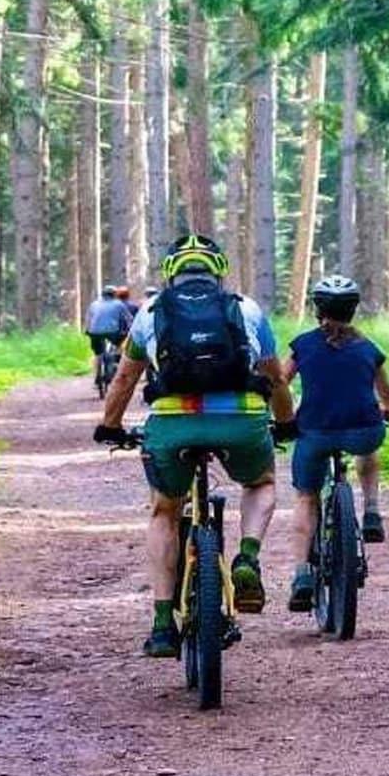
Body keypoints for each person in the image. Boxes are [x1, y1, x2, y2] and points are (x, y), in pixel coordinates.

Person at [93, 234, 297, 658]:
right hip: (240, 420)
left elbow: (125, 378)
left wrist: (109, 426)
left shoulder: (151, 311)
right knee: (260, 482)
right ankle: (247, 557)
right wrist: (285, 422)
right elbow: (275, 378)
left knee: (164, 510)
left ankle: (162, 625)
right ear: (218, 272)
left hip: (174, 424)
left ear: (171, 273)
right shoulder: (246, 308)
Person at [281, 275, 389, 612]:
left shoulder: (302, 345)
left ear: (317, 308)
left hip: (315, 433)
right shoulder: (368, 348)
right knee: (369, 445)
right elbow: (387, 394)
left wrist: (280, 418)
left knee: (306, 497)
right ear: (353, 309)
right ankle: (372, 510)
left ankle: (301, 574)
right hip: (363, 431)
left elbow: (279, 382)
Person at [83, 284, 133, 391]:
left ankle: (97, 377)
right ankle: (115, 363)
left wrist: (87, 330)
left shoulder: (94, 304)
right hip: (112, 332)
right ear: (114, 295)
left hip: (94, 332)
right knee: (118, 345)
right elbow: (128, 318)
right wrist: (130, 328)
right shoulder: (119, 304)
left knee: (98, 353)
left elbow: (88, 319)